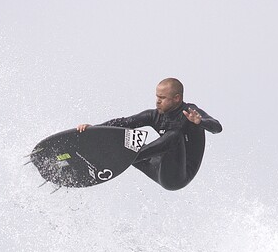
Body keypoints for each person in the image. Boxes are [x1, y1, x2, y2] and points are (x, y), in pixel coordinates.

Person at [77, 78, 222, 191]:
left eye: (162, 98)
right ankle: (99, 159)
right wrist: (95, 129)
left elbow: (217, 127)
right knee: (125, 137)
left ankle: (124, 158)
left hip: (177, 177)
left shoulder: (190, 112)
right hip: (156, 167)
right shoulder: (154, 115)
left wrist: (200, 122)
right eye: (157, 96)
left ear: (177, 98)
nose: (158, 101)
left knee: (175, 136)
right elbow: (124, 122)